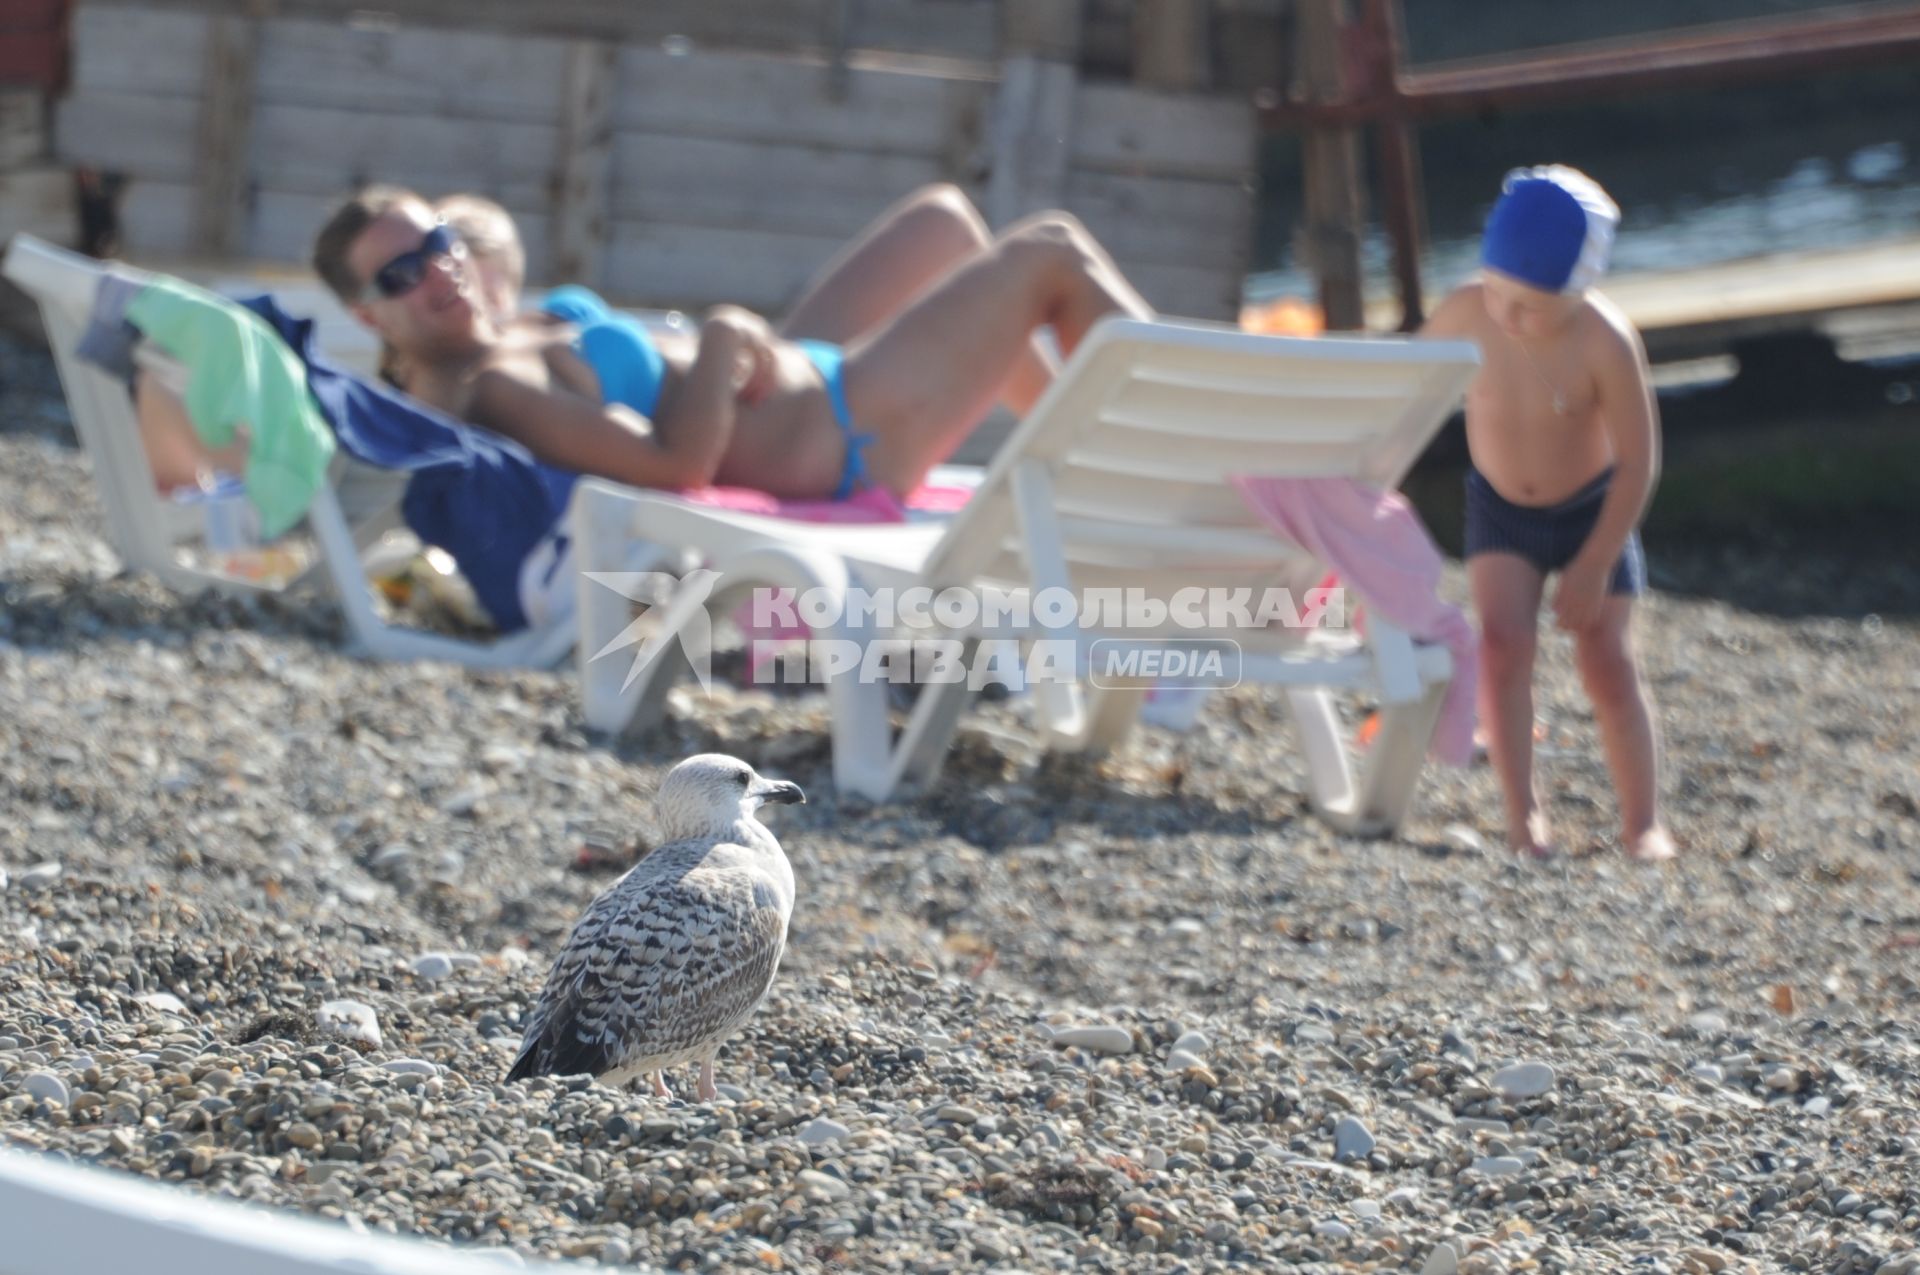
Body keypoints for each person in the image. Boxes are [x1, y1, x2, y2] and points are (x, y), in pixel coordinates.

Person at [311, 183, 1146, 502]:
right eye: (401, 276)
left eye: (438, 246)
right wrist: (719, 337)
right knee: (1052, 252)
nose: (437, 273)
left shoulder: (502, 333)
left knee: (947, 222)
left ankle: (1110, 462)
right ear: (368, 317)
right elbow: (676, 468)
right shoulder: (489, 388)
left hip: (794, 384)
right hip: (847, 433)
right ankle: (1184, 443)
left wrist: (735, 349)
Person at [1421, 165, 1675, 863]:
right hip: (1501, 508)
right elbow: (1407, 379)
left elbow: (1637, 461)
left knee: (1608, 662)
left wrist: (1594, 561)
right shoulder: (1470, 309)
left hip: (1594, 509)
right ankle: (1523, 815)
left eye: (1530, 305)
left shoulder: (1603, 339)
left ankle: (1643, 821)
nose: (1508, 315)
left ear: (1579, 289)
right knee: (1502, 647)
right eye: (1498, 292)